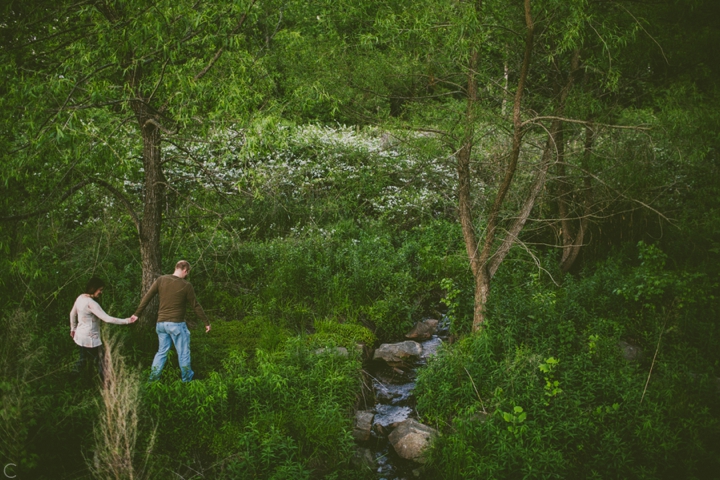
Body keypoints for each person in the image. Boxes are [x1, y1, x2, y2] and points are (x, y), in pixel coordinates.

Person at [134, 260, 211, 382]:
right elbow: (195, 305)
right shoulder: (186, 285)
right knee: (183, 353)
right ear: (185, 270)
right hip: (176, 325)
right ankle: (187, 382)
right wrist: (206, 322)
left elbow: (147, 297)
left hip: (161, 324)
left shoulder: (161, 280)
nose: (187, 275)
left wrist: (137, 314)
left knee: (161, 353)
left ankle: (152, 381)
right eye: (187, 272)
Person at [70, 276, 137, 382]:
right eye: (100, 290)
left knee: (83, 360)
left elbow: (72, 314)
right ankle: (107, 383)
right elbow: (107, 319)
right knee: (102, 360)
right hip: (91, 339)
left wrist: (73, 329)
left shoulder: (80, 297)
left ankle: (72, 379)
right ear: (93, 288)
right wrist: (127, 320)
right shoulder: (92, 304)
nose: (101, 292)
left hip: (80, 336)